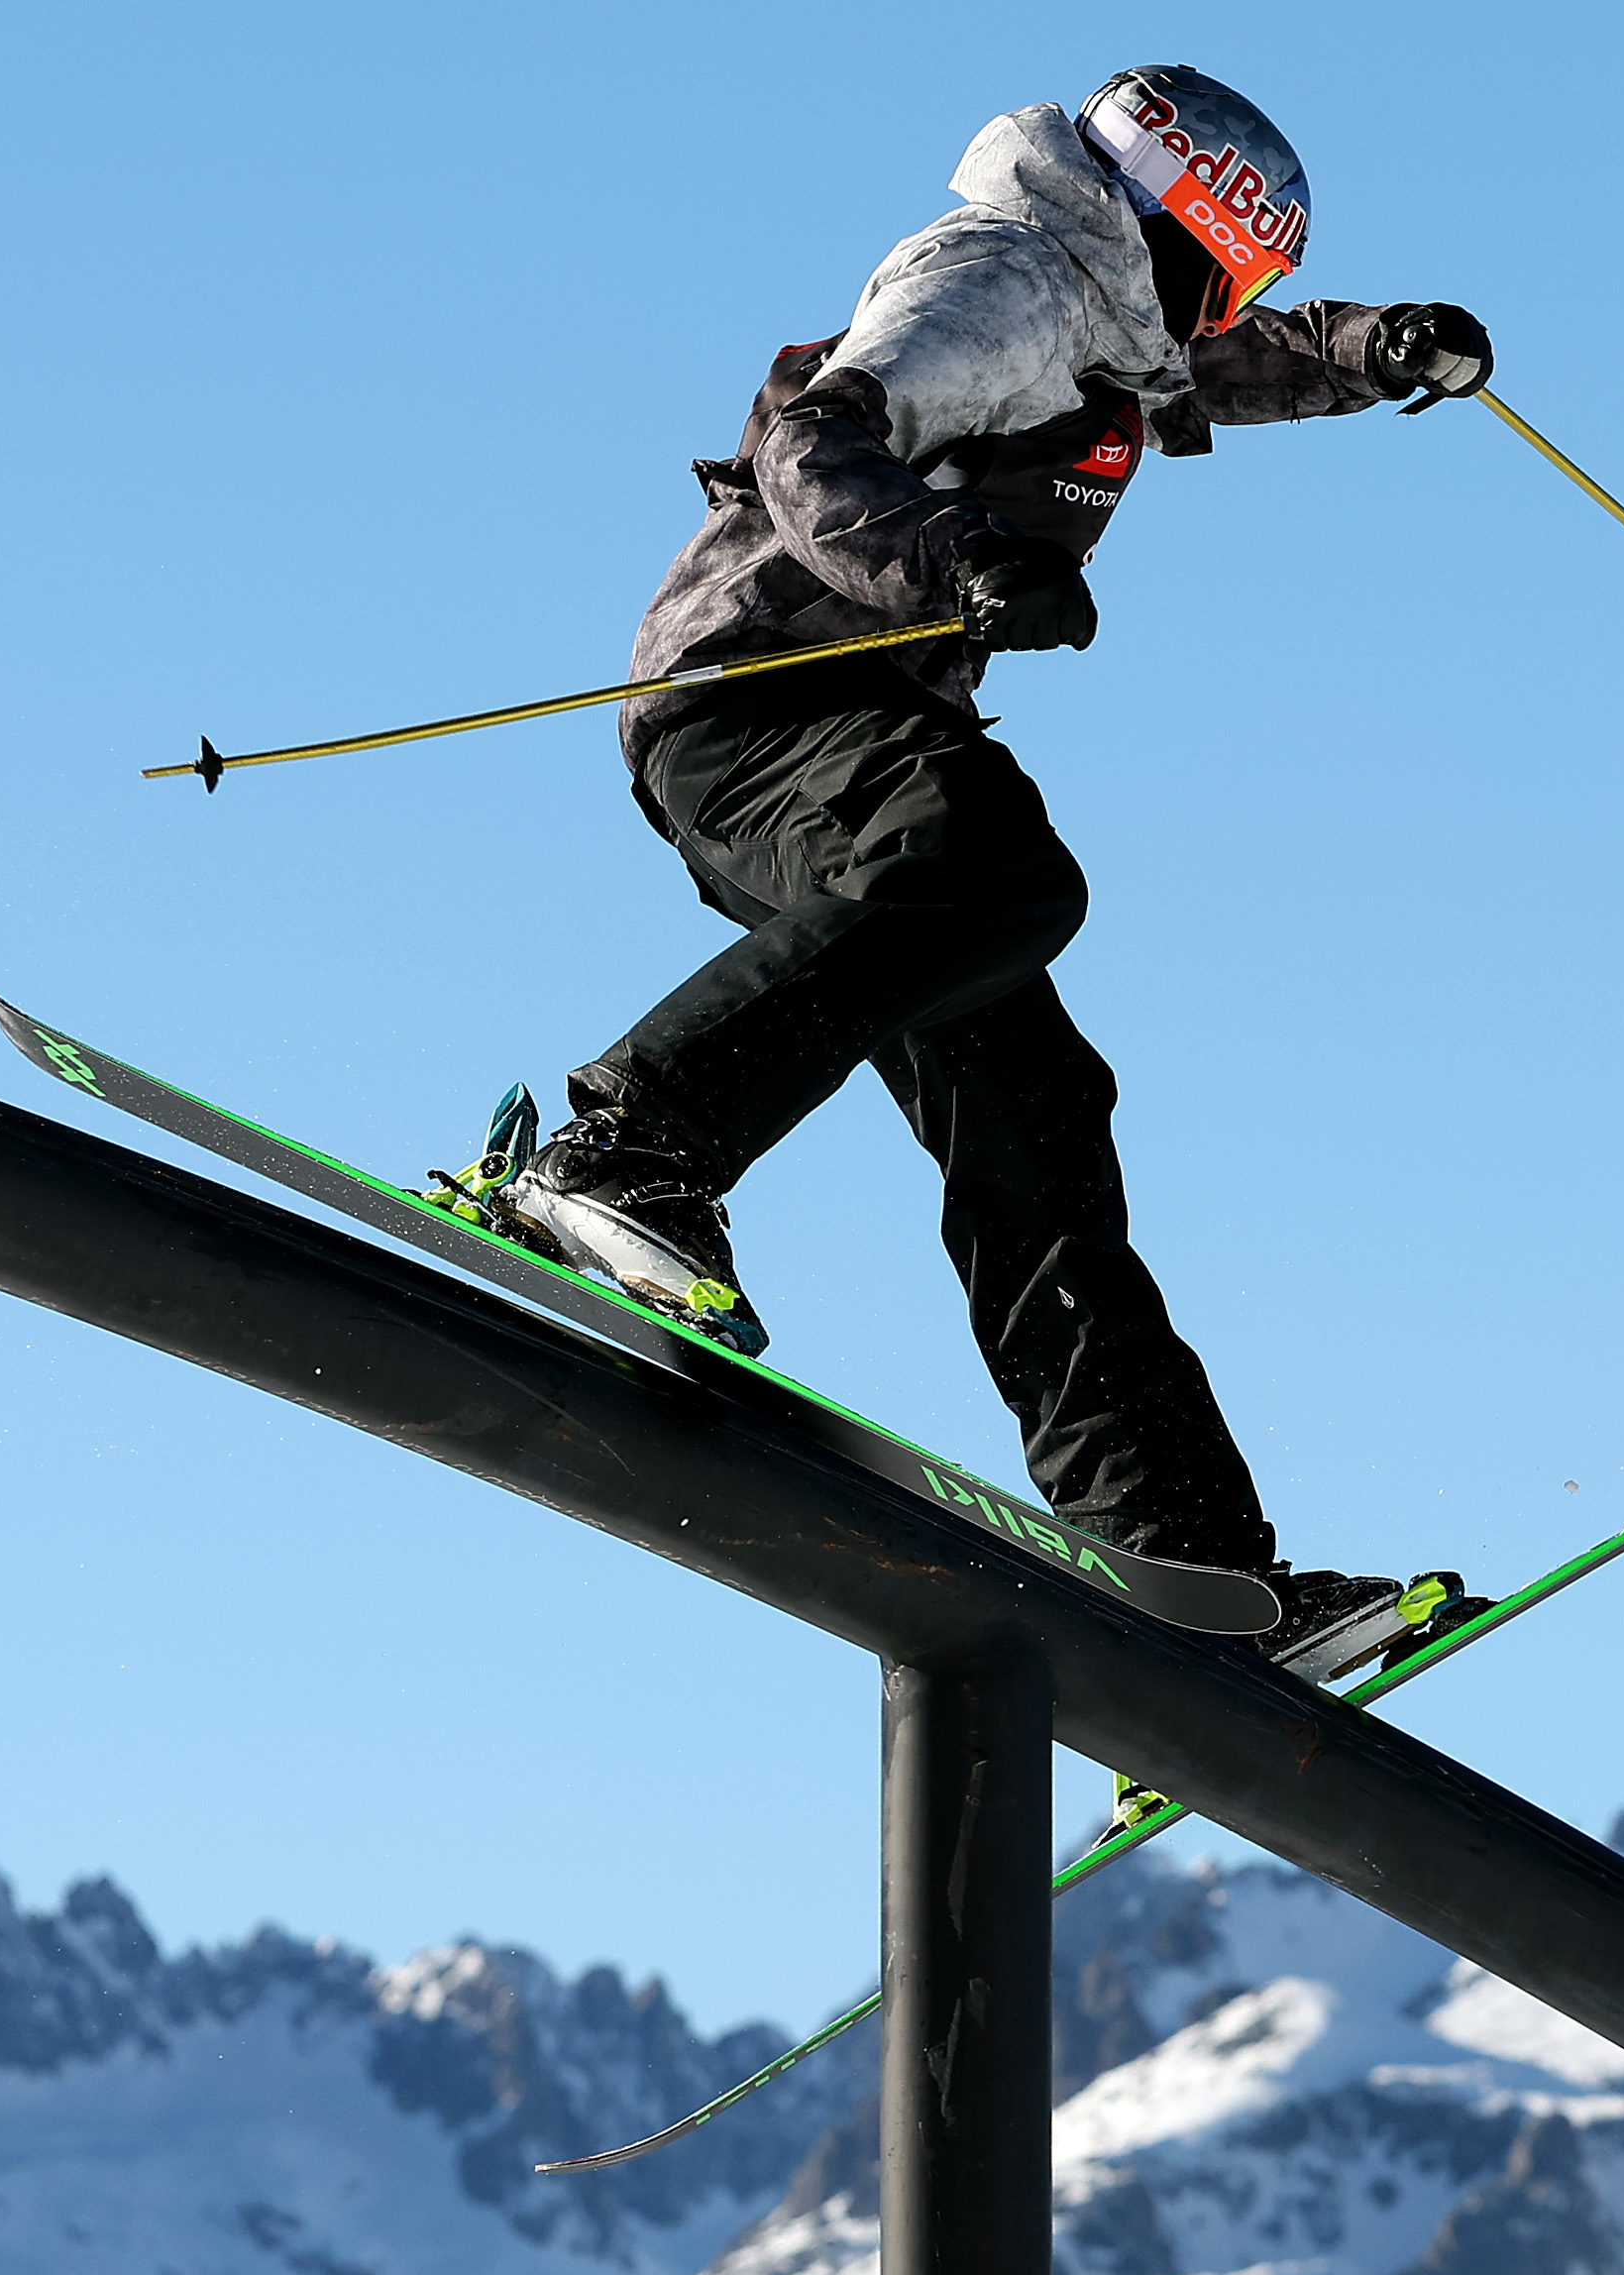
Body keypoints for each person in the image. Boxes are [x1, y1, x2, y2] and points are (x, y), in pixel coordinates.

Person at [479, 68, 1493, 1693]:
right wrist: (951, 559)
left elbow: (1206, 371)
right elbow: (811, 434)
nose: (1234, 304)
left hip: (847, 730)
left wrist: (1371, 351)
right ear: (1175, 224)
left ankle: (1187, 1581)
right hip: (770, 701)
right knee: (994, 867)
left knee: (1032, 1110)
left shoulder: (1097, 316)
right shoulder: (996, 277)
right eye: (1234, 268)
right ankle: (625, 1151)